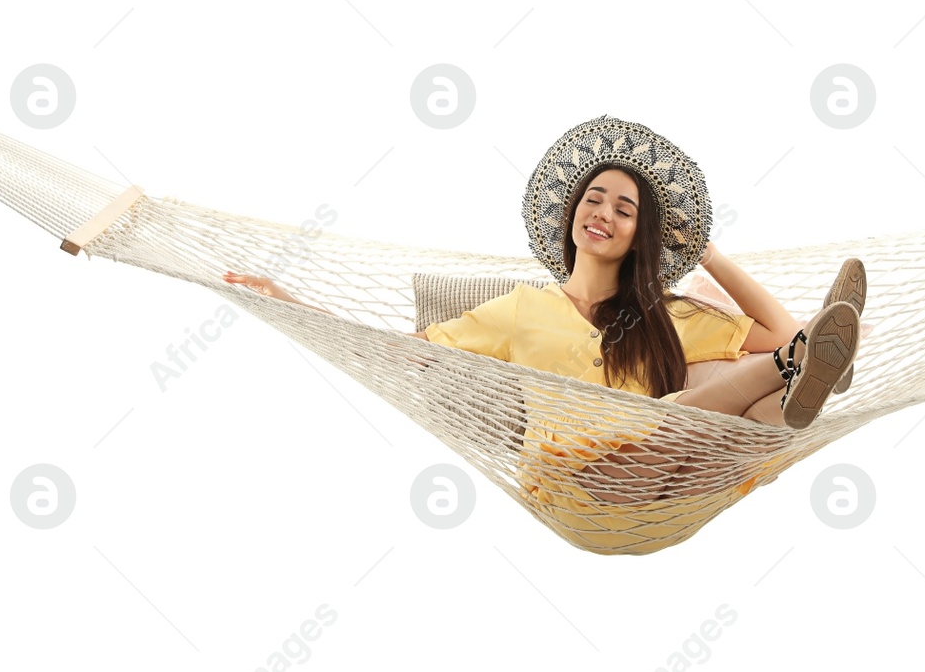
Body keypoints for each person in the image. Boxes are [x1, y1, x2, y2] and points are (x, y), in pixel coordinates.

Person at [223, 117, 864, 548]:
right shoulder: (521, 308)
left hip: (673, 489)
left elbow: (783, 328)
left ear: (642, 234)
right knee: (709, 403)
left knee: (756, 410)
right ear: (571, 214)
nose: (603, 214)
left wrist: (708, 255)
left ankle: (802, 380)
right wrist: (289, 303)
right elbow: (395, 355)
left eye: (624, 208)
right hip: (580, 488)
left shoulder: (666, 317)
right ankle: (801, 369)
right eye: (593, 198)